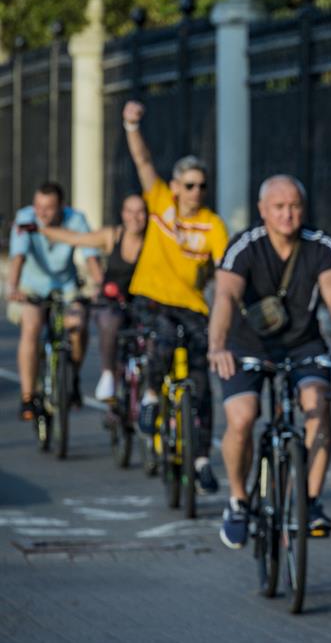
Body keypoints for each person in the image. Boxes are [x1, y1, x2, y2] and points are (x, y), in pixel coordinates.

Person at [208, 175, 331, 548]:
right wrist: (218, 345)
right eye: (279, 207)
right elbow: (224, 297)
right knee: (242, 417)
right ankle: (238, 501)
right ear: (262, 211)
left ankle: (310, 503)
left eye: (295, 206)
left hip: (303, 344)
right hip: (246, 344)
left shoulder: (322, 247)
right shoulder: (244, 246)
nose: (288, 215)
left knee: (316, 406)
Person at [122, 99, 229, 495]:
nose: (195, 191)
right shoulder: (161, 202)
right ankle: (150, 397)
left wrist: (228, 311)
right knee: (162, 341)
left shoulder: (212, 223)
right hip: (152, 298)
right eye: (189, 185)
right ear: (176, 186)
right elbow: (143, 162)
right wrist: (131, 125)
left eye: (201, 185)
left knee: (201, 381)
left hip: (193, 306)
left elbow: (225, 269)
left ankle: (200, 459)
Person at [34, 194, 147, 402]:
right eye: (130, 211)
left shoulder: (153, 240)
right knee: (109, 322)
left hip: (141, 301)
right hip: (112, 301)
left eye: (140, 212)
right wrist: (43, 230)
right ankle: (108, 375)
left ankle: (151, 392)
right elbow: (77, 239)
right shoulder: (112, 236)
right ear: (122, 214)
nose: (135, 217)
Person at [7, 182, 103, 420]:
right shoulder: (25, 219)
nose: (42, 213)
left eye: (48, 208)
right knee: (32, 326)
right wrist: (13, 287)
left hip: (66, 287)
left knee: (77, 325)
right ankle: (28, 397)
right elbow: (18, 257)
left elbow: (91, 255)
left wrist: (99, 285)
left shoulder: (75, 219)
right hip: (32, 286)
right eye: (38, 206)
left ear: (62, 206)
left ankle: (72, 377)